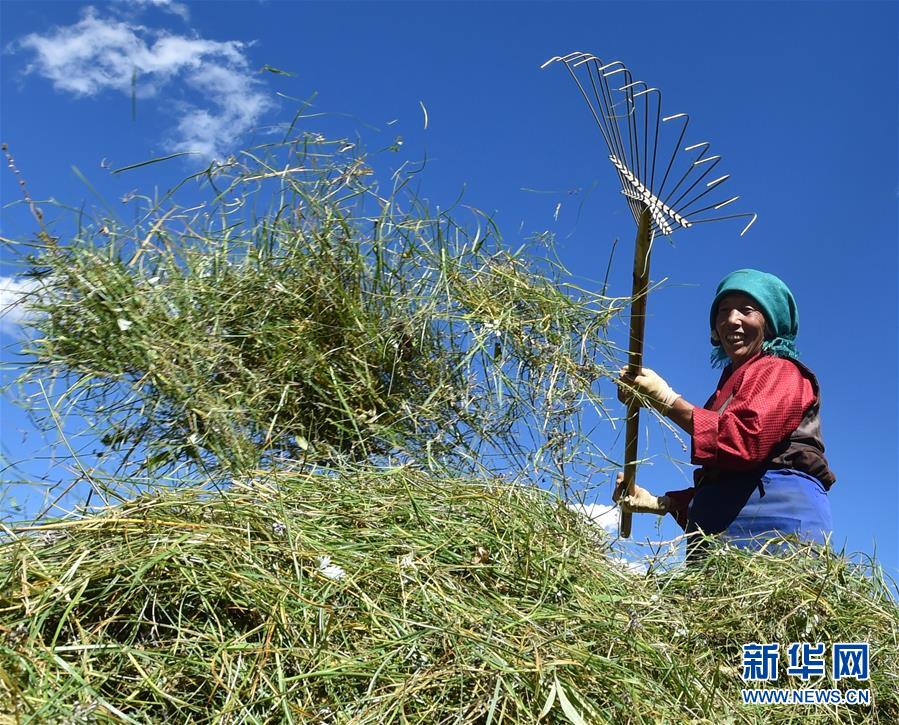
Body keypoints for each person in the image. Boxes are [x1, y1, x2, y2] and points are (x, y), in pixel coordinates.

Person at [613, 269, 835, 559]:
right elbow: (724, 482)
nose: (732, 319)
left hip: (774, 531)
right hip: (720, 539)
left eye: (747, 310)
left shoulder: (781, 370)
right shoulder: (723, 392)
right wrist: (660, 503)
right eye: (723, 311)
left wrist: (666, 399)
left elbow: (744, 441)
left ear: (769, 324)